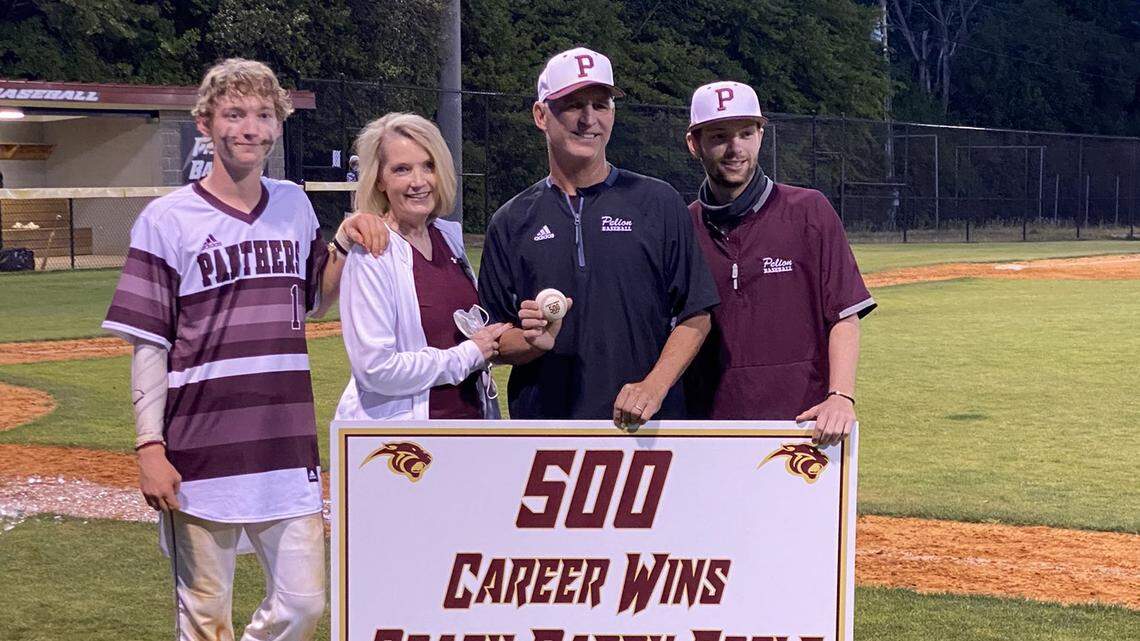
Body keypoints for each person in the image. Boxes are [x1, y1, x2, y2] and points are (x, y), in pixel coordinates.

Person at [102, 58, 388, 641]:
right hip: (199, 451)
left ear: (278, 125)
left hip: (285, 446)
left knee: (305, 606)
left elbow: (314, 301)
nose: (249, 128)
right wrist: (148, 447)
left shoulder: (293, 205)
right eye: (234, 114)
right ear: (206, 123)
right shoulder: (165, 219)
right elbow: (149, 345)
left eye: (262, 114)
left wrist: (343, 239)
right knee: (204, 619)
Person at [478, 47, 719, 427]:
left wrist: (654, 387)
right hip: (550, 432)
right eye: (572, 105)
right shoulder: (511, 221)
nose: (588, 119)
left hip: (650, 428)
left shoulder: (658, 202)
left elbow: (697, 313)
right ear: (541, 115)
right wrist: (530, 340)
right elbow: (492, 339)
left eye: (601, 105)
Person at [681, 81, 876, 446]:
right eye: (720, 136)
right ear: (694, 143)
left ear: (760, 134)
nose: (735, 148)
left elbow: (844, 315)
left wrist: (840, 396)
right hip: (706, 429)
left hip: (801, 425)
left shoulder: (809, 210)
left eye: (746, 133)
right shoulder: (682, 226)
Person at [335, 113, 507, 421]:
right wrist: (468, 355)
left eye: (428, 166)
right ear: (380, 179)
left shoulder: (448, 237)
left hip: (469, 432)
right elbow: (376, 369)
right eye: (402, 169)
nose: (419, 181)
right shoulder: (373, 250)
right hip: (405, 449)